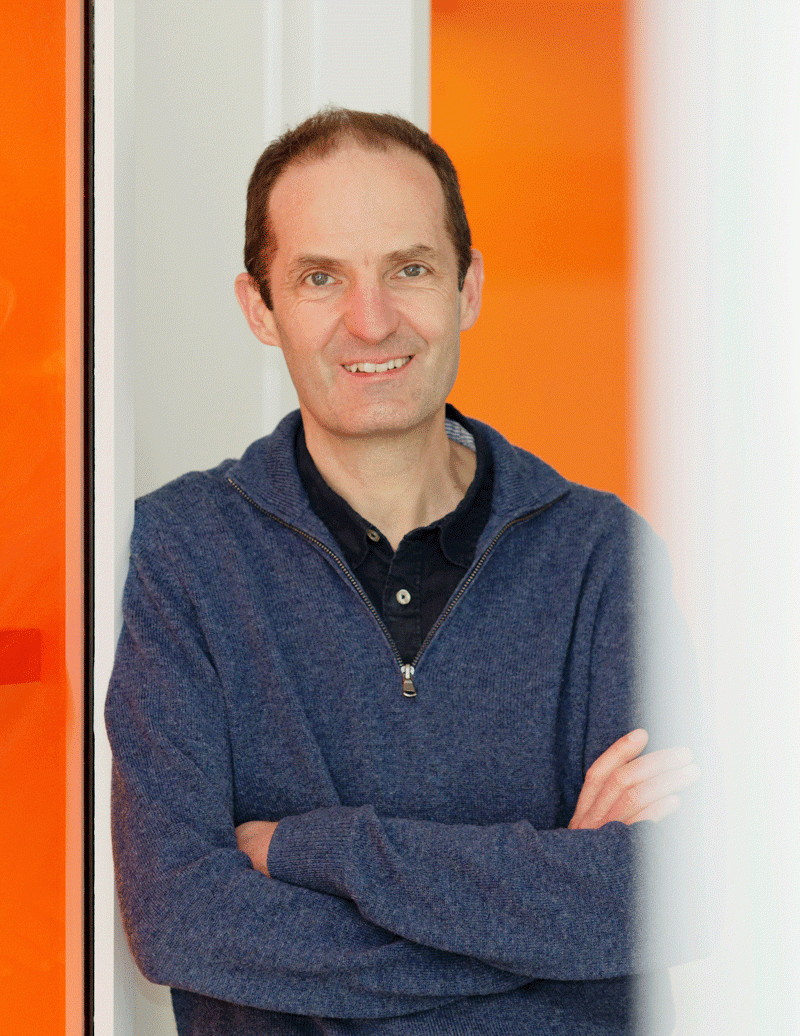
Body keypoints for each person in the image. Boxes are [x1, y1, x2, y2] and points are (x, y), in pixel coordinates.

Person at [106, 108, 705, 1035]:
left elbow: (665, 896)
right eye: (320, 278)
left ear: (468, 287)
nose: (371, 320)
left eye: (409, 269)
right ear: (260, 309)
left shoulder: (601, 555)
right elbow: (185, 920)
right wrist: (544, 916)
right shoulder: (181, 552)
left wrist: (314, 849)